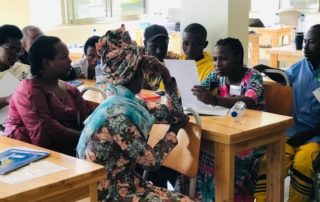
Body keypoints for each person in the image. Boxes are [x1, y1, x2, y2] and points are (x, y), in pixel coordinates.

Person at [76, 25, 192, 201]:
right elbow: (151, 162)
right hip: (111, 193)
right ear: (133, 75)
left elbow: (174, 113)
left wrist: (167, 78)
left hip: (126, 183)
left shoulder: (124, 102)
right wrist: (174, 131)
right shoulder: (118, 117)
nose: (144, 75)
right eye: (141, 70)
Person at [191, 37, 265, 201]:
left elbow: (249, 101)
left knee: (233, 159)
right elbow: (200, 89)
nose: (217, 63)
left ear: (238, 57)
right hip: (228, 131)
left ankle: (228, 197)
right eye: (215, 59)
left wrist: (214, 100)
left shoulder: (253, 77)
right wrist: (198, 92)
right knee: (197, 150)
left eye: (224, 59)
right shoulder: (217, 76)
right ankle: (205, 197)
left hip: (252, 136)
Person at [254, 24, 320, 202]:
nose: (305, 46)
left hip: (315, 137)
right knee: (269, 161)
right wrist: (265, 68)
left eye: (311, 42)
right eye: (304, 41)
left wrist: (306, 135)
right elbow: (285, 77)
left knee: (303, 163)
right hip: (292, 132)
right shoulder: (300, 67)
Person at [4, 36, 92, 156]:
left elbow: (86, 118)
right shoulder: (29, 91)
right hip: (28, 153)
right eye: (64, 57)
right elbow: (46, 132)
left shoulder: (71, 90)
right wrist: (85, 136)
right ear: (46, 62)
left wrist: (92, 132)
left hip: (64, 148)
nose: (70, 61)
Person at [142, 24, 179, 90]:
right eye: (153, 46)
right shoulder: (136, 62)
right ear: (145, 44)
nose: (159, 51)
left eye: (163, 46)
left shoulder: (174, 62)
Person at [0, 24, 26, 109]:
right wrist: (7, 100)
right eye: (11, 48)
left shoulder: (22, 70)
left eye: (18, 50)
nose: (15, 54)